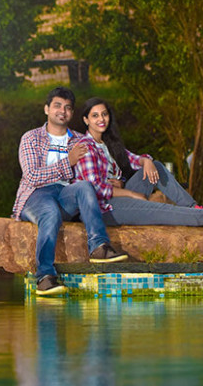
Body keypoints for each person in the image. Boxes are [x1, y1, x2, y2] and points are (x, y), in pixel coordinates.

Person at [12, 87, 130, 297]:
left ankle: (99, 247)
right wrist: (68, 162)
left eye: (67, 108)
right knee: (50, 213)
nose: (62, 111)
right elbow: (32, 176)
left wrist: (115, 179)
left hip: (66, 193)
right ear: (47, 109)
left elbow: (100, 165)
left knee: (84, 186)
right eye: (57, 105)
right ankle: (44, 276)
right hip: (36, 195)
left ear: (72, 113)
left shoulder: (79, 140)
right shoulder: (31, 138)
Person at [73, 96, 203, 230]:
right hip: (104, 209)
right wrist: (132, 194)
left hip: (117, 195)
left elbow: (134, 159)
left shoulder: (107, 143)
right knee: (159, 210)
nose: (101, 119)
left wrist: (147, 161)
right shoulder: (86, 148)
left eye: (104, 114)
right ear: (86, 120)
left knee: (156, 167)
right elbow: (95, 189)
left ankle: (193, 207)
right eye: (95, 115)